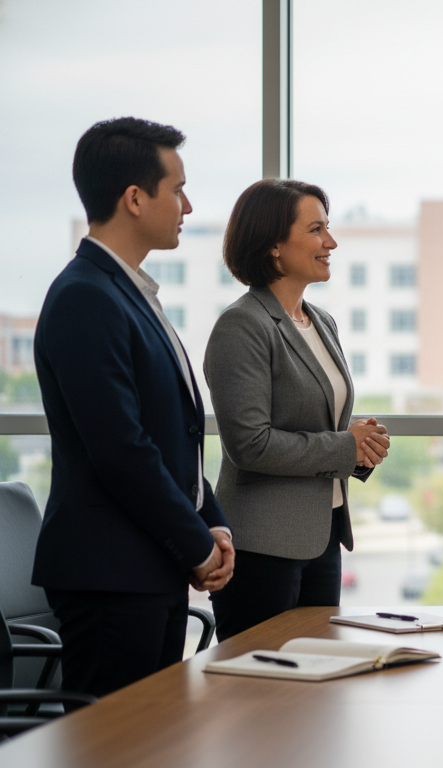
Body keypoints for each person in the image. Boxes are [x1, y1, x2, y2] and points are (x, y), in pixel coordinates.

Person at [31, 117, 234, 698]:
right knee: (116, 752)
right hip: (110, 574)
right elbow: (121, 450)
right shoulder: (84, 298)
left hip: (147, 566)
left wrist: (210, 520)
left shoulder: (127, 291)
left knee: (155, 744)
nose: (187, 205)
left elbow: (176, 434)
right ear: (135, 198)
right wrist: (196, 544)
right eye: (177, 189)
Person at [204, 179, 390, 641]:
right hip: (263, 545)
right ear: (274, 247)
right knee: (262, 697)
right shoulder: (241, 326)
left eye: (328, 228)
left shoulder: (320, 321)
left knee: (316, 692)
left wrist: (358, 441)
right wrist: (342, 446)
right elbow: (250, 444)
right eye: (316, 229)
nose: (331, 242)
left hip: (322, 537)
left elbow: (316, 420)